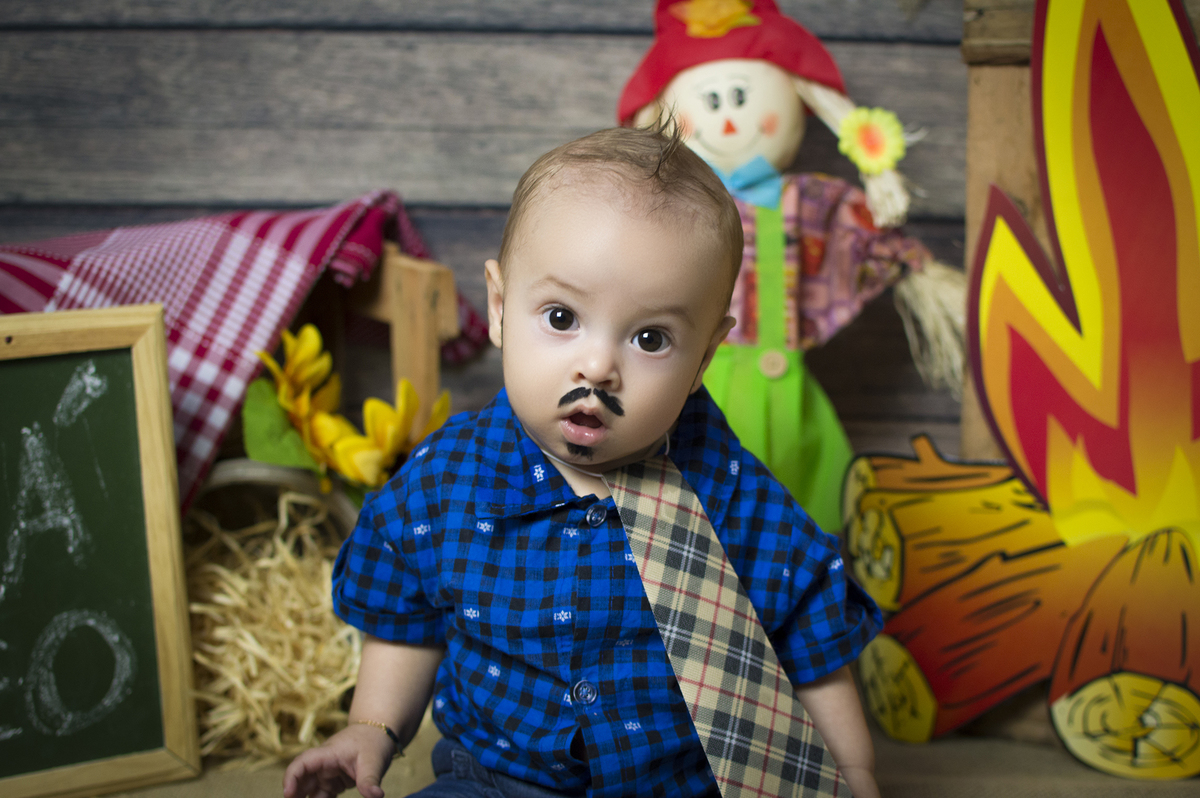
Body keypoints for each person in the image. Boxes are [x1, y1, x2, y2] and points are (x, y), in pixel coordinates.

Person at [283, 125, 882, 798]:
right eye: (562, 317)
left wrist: (853, 772)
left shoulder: (733, 493)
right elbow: (408, 621)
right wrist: (371, 727)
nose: (597, 366)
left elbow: (812, 644)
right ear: (502, 307)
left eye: (651, 338)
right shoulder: (448, 481)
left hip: (678, 784)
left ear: (703, 360)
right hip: (499, 780)